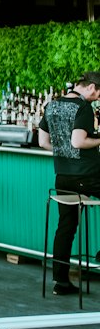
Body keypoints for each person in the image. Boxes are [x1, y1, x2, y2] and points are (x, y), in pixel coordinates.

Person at [38, 72, 100, 294]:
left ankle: (60, 282)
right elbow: (78, 141)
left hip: (62, 176)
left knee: (66, 225)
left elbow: (42, 141)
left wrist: (63, 152)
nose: (99, 97)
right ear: (92, 87)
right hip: (88, 174)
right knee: (67, 224)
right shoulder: (83, 107)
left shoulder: (52, 105)